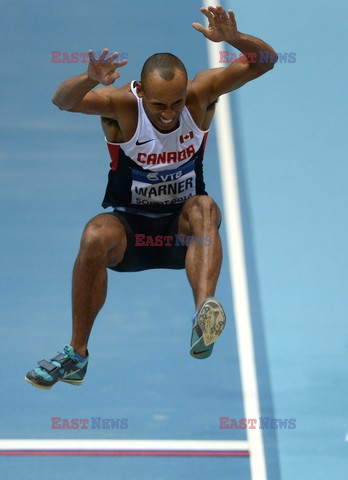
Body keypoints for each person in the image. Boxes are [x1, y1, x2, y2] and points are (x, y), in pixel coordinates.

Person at [25, 5, 277, 389]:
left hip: (183, 234)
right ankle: (76, 355)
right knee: (94, 234)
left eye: (176, 102)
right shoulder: (120, 105)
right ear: (140, 92)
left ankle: (202, 319)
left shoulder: (201, 95)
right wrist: (88, 79)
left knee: (206, 206)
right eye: (158, 105)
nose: (169, 113)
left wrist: (235, 39)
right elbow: (63, 101)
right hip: (131, 232)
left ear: (185, 89)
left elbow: (266, 62)